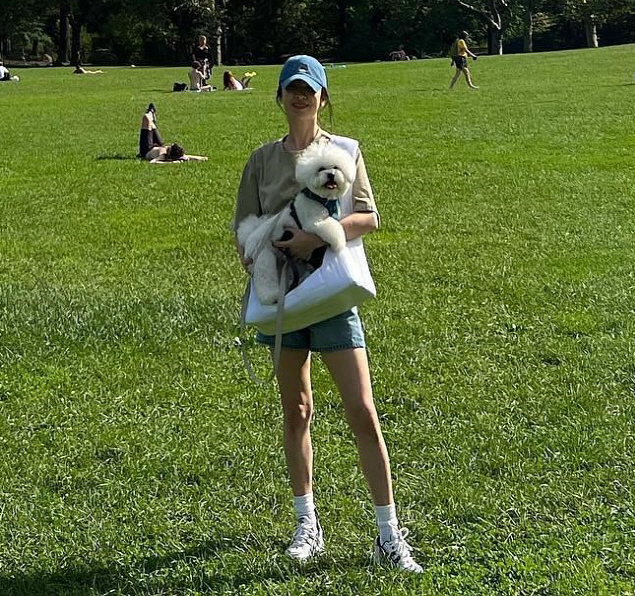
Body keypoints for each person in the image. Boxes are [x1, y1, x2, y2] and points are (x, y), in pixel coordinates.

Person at [233, 55, 422, 573]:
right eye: (291, 88)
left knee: (362, 410)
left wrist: (315, 239)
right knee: (296, 410)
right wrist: (260, 252)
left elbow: (369, 217)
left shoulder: (345, 151)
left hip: (333, 295)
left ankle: (389, 535)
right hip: (284, 303)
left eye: (309, 89)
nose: (300, 97)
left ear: (322, 96)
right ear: (279, 96)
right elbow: (243, 228)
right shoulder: (261, 160)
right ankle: (306, 525)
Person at [138, 103, 207, 162]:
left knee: (146, 118)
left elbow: (153, 162)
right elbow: (188, 157)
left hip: (147, 149)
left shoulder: (163, 155)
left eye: (168, 148)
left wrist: (172, 163)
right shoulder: (177, 155)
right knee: (151, 125)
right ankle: (152, 117)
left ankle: (150, 113)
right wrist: (202, 158)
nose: (167, 147)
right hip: (159, 145)